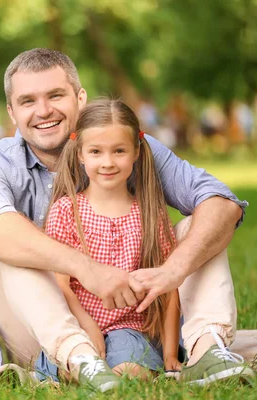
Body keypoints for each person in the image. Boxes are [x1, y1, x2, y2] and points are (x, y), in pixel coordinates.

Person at [0, 48, 253, 392]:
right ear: (12, 112)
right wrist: (87, 268)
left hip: (133, 322)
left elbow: (224, 204)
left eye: (55, 95)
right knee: (10, 246)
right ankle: (78, 356)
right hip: (37, 329)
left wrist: (172, 271)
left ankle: (207, 350)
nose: (43, 111)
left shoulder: (125, 147)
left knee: (198, 227)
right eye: (27, 101)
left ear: (80, 98)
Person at [34, 98, 183, 384]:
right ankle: (86, 371)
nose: (107, 162)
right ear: (80, 154)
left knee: (132, 373)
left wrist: (170, 355)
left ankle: (104, 376)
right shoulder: (67, 211)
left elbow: (168, 291)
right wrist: (87, 325)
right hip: (75, 326)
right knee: (71, 367)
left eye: (118, 151)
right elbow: (60, 285)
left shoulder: (149, 214)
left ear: (136, 152)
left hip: (129, 329)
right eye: (96, 151)